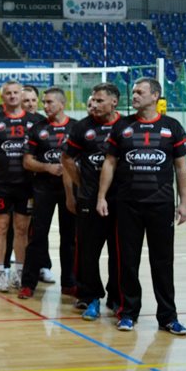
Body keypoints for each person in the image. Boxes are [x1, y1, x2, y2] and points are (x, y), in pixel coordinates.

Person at [96, 78, 186, 335]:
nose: (135, 96)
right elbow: (109, 163)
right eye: (134, 92)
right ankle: (128, 313)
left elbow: (181, 167)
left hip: (161, 206)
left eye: (140, 92)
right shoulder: (122, 126)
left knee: (163, 262)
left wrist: (184, 203)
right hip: (127, 205)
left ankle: (168, 317)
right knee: (127, 262)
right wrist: (102, 196)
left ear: (155, 95)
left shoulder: (172, 126)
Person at [63, 82, 122, 321]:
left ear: (114, 102)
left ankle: (117, 298)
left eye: (99, 100)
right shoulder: (82, 127)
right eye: (93, 100)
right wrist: (82, 185)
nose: (94, 105)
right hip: (89, 199)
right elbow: (66, 158)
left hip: (120, 200)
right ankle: (91, 297)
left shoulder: (126, 125)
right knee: (88, 252)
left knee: (120, 253)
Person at [0, 81, 40, 293]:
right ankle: (0, 272)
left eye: (16, 92)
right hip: (2, 185)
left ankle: (20, 272)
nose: (12, 96)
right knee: (1, 227)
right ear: (2, 96)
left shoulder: (35, 121)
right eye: (8, 93)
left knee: (22, 229)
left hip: (26, 184)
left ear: (21, 95)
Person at [18, 87, 77, 300]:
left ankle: (69, 283)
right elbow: (27, 161)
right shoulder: (37, 129)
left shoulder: (76, 128)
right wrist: (47, 167)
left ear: (62, 103)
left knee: (69, 238)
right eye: (44, 102)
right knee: (37, 236)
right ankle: (28, 284)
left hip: (70, 190)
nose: (45, 106)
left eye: (49, 102)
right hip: (43, 189)